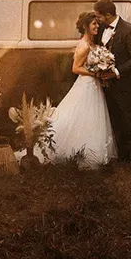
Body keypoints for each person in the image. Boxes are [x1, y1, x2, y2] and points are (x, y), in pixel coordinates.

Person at [43, 11, 117, 168]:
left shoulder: (93, 44)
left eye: (98, 23)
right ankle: (77, 152)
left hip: (93, 85)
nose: (97, 26)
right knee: (83, 116)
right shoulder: (83, 46)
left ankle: (91, 151)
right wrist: (95, 73)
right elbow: (75, 68)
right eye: (94, 24)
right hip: (86, 85)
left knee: (93, 117)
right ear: (85, 26)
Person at [93, 0, 131, 164]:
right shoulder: (101, 28)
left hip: (125, 85)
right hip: (106, 86)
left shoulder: (129, 30)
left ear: (108, 15)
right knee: (113, 120)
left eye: (99, 16)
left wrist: (116, 72)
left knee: (130, 121)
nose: (97, 20)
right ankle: (118, 157)